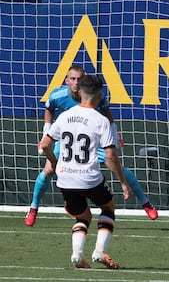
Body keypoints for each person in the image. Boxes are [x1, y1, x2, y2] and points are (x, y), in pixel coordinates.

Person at [25, 65, 158, 226]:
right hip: (68, 137)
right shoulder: (57, 95)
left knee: (116, 166)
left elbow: (108, 115)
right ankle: (33, 208)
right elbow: (49, 109)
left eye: (79, 79)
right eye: (72, 79)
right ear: (66, 80)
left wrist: (115, 133)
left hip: (91, 139)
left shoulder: (96, 97)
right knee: (49, 170)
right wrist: (46, 131)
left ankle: (145, 203)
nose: (76, 82)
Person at [41, 74, 131, 269]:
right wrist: (123, 182)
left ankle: (77, 254)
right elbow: (110, 157)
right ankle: (99, 251)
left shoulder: (65, 116)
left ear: (80, 92)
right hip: (89, 177)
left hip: (65, 178)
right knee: (108, 207)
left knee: (83, 217)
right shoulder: (101, 121)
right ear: (100, 95)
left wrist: (55, 163)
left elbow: (45, 144)